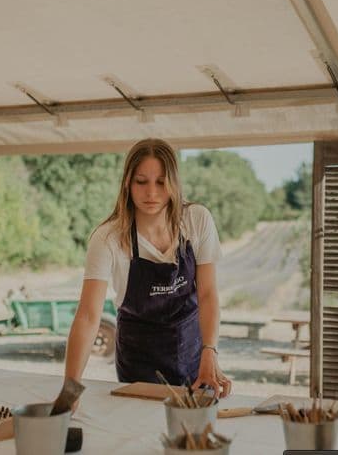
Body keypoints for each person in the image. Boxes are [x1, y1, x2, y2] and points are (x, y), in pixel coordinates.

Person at [64, 138, 232, 404]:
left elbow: (208, 294)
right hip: (138, 359)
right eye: (141, 182)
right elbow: (87, 316)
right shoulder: (108, 237)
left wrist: (209, 352)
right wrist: (70, 389)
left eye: (161, 182)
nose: (151, 193)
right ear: (127, 183)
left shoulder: (197, 220)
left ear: (174, 183)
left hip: (192, 353)